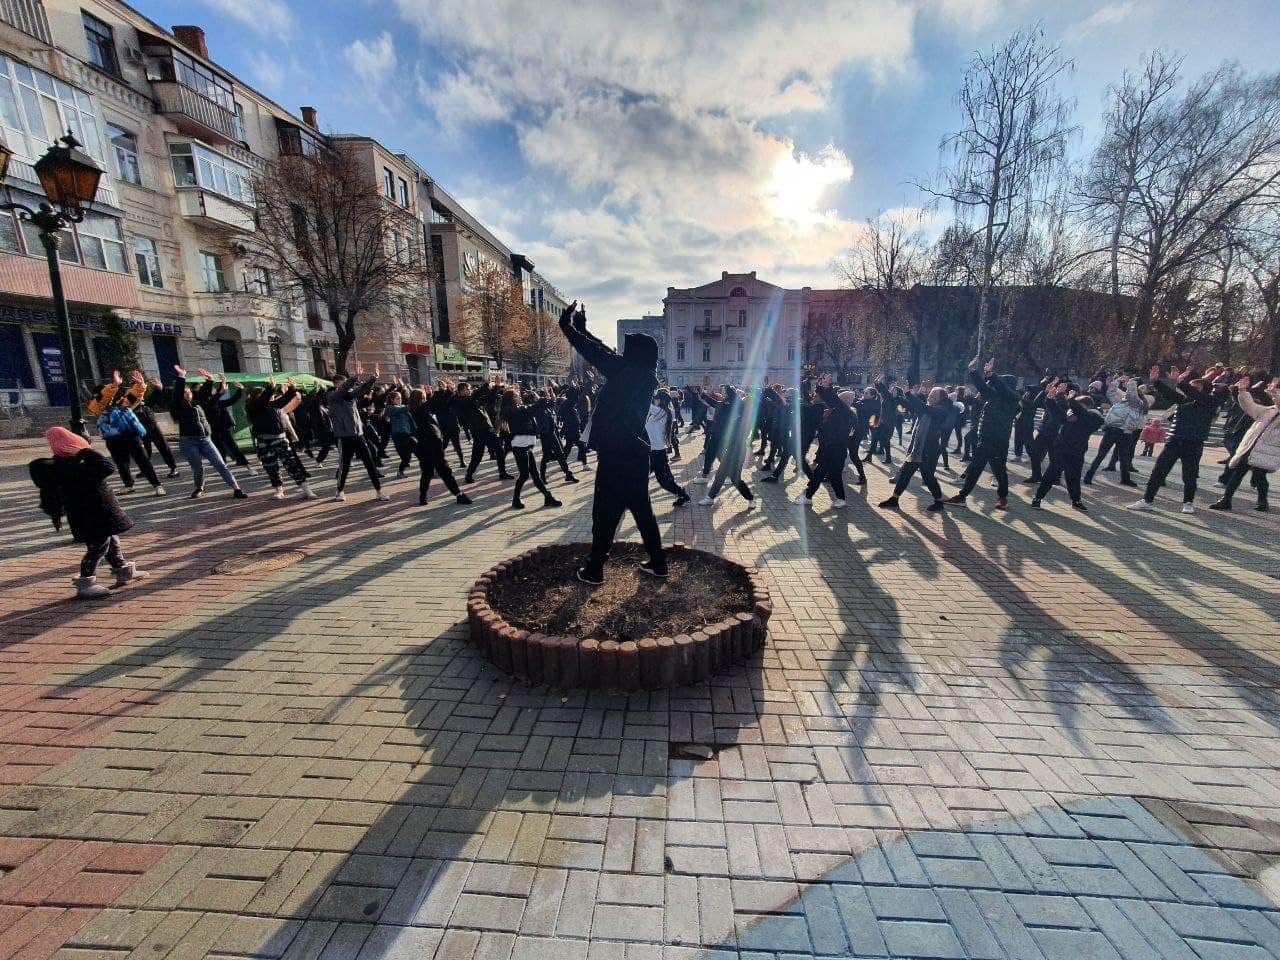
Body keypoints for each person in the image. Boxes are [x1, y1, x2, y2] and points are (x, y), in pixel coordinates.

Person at [559, 302, 667, 584]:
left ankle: (594, 569)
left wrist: (569, 328)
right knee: (642, 511)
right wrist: (582, 329)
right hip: (635, 453)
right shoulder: (642, 374)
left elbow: (597, 354)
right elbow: (605, 353)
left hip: (618, 455)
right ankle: (658, 563)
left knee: (605, 513)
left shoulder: (628, 373)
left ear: (636, 355)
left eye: (628, 350)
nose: (622, 353)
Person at [29, 427, 147, 599]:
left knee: (111, 540)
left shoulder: (62, 465)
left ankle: (122, 569)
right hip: (93, 514)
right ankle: (86, 583)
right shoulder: (73, 466)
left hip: (91, 514)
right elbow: (107, 467)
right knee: (98, 546)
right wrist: (85, 450)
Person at [1129, 364, 1231, 515]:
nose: (1189, 389)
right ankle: (1147, 500)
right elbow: (1169, 393)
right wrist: (1156, 381)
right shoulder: (1184, 400)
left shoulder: (1210, 402)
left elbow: (1194, 394)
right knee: (1158, 471)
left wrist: (1180, 382)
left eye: (1194, 387)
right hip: (1175, 440)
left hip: (1194, 443)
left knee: (1189, 475)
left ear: (1203, 389)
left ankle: (1188, 503)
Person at [948, 358, 1018, 510]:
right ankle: (962, 496)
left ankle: (1002, 497)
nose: (994, 385)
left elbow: (1003, 389)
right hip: (985, 439)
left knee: (999, 471)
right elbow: (983, 388)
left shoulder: (1012, 399)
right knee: (975, 468)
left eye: (1000, 383)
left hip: (999, 442)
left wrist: (992, 375)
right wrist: (973, 371)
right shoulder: (994, 396)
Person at [170, 366, 248, 499]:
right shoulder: (177, 405)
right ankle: (199, 488)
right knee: (198, 467)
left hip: (205, 439)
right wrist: (181, 376)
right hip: (188, 441)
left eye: (188, 392)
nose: (187, 394)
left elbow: (206, 395)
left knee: (221, 464)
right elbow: (177, 395)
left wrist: (210, 381)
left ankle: (237, 489)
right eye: (184, 393)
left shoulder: (198, 403)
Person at [878, 383, 956, 513]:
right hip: (918, 450)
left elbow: (922, 407)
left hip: (929, 451)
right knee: (906, 473)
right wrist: (885, 389)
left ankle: (938, 502)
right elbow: (909, 404)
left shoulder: (941, 410)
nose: (929, 397)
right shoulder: (928, 408)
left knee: (928, 477)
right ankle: (894, 499)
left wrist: (909, 394)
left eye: (933, 396)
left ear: (940, 399)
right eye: (930, 395)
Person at [1210, 375, 1278, 512]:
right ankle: (1226, 500)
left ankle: (1262, 502)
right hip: (1250, 447)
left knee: (1259, 476)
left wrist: (1273, 393)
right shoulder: (1269, 410)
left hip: (1266, 450)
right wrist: (1242, 391)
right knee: (1237, 473)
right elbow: (1250, 406)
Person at [1031, 387, 1104, 511]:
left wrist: (1072, 401)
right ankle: (1038, 498)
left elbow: (1082, 414)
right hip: (1061, 450)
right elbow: (1058, 414)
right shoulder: (1072, 415)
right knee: (1050, 475)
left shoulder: (1094, 418)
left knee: (1073, 478)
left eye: (1078, 405)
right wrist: (1049, 400)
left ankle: (1076, 501)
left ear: (1087, 406)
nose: (1073, 408)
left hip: (1076, 452)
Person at [246, 378, 316, 501]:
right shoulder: (252, 406)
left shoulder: (273, 404)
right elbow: (262, 402)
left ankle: (307, 491)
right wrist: (270, 388)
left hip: (281, 439)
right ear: (256, 397)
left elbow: (285, 399)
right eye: (267, 395)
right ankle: (279, 491)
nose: (272, 396)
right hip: (264, 442)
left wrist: (292, 389)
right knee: (271, 467)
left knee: (292, 464)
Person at [329, 362, 390, 503]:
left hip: (358, 434)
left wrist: (373, 378)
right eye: (343, 384)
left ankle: (379, 492)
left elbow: (361, 389)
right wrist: (354, 378)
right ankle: (339, 491)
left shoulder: (350, 397)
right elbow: (343, 390)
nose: (348, 387)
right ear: (337, 385)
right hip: (344, 436)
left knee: (370, 463)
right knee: (344, 466)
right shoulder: (332, 396)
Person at [96, 377, 165, 497]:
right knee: (121, 463)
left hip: (130, 436)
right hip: (112, 439)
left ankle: (157, 485)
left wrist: (141, 385)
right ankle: (128, 485)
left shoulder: (120, 402)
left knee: (143, 461)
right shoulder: (98, 405)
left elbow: (135, 398)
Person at [408, 388, 472, 507]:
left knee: (427, 472)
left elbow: (439, 403)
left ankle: (423, 497)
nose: (426, 398)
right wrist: (441, 391)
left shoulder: (417, 409)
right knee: (444, 471)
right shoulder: (418, 410)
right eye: (423, 397)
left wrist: (448, 392)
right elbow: (433, 402)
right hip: (431, 445)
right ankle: (459, 495)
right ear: (419, 399)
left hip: (425, 445)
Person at [794, 379, 853, 508]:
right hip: (832, 448)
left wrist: (823, 388)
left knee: (821, 473)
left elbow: (833, 400)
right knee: (833, 474)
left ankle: (808, 497)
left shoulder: (845, 412)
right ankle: (840, 499)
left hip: (835, 448)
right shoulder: (838, 412)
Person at [502, 389, 562, 510]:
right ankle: (516, 499)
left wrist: (549, 399)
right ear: (511, 399)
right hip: (520, 445)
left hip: (526, 444)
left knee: (535, 475)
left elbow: (534, 409)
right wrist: (540, 401)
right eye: (517, 396)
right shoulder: (511, 410)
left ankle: (547, 497)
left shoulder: (519, 408)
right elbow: (529, 410)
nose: (519, 397)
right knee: (524, 475)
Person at [699, 385, 755, 508]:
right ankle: (751, 498)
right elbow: (721, 405)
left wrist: (727, 392)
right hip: (734, 449)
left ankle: (710, 497)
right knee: (735, 479)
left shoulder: (742, 419)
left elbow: (726, 406)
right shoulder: (737, 415)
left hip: (737, 450)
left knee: (721, 473)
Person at [1084, 373, 1145, 487]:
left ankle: (1125, 479)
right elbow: (1111, 392)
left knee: (1123, 457)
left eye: (1129, 392)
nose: (1127, 393)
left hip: (1125, 433)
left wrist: (1131, 381)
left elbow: (1132, 393)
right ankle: (1089, 476)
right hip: (1112, 430)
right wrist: (1116, 381)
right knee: (1101, 455)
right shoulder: (1120, 402)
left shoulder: (1138, 403)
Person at [196, 370, 254, 475]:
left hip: (224, 428)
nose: (213, 389)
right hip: (213, 429)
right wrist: (212, 381)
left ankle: (248, 467)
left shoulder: (216, 401)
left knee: (233, 447)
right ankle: (224, 469)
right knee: (219, 450)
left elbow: (230, 400)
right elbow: (215, 395)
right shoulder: (203, 402)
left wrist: (237, 388)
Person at [454, 381, 511, 483]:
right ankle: (502, 473)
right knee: (498, 450)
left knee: (477, 455)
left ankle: (469, 475)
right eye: (467, 389)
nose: (469, 390)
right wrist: (485, 385)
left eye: (469, 389)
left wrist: (495, 387)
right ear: (461, 391)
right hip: (481, 430)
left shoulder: (471, 400)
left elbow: (488, 398)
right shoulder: (461, 401)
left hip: (482, 429)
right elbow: (475, 396)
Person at [646, 391, 689, 505]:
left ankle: (682, 494)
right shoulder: (661, 412)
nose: (654, 400)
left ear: (662, 401)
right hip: (654, 450)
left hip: (656, 451)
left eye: (656, 398)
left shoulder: (662, 412)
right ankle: (682, 494)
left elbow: (646, 405)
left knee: (663, 480)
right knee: (662, 478)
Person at [384, 390, 417, 479]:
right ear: (392, 400)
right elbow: (402, 409)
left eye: (401, 398)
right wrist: (413, 403)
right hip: (399, 436)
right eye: (397, 398)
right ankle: (400, 471)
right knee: (406, 457)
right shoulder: (390, 408)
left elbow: (411, 420)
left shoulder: (403, 407)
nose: (400, 400)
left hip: (407, 434)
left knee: (415, 452)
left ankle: (430, 468)